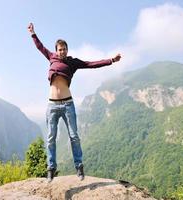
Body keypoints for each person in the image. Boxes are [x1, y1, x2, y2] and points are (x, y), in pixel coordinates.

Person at [27, 23, 121, 182]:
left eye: (64, 49)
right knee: (50, 138)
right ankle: (51, 168)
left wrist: (111, 60)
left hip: (67, 104)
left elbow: (91, 64)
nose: (62, 51)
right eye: (59, 49)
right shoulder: (51, 57)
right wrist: (33, 33)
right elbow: (40, 47)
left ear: (67, 50)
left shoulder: (72, 62)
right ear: (56, 50)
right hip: (52, 105)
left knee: (74, 136)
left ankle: (79, 167)